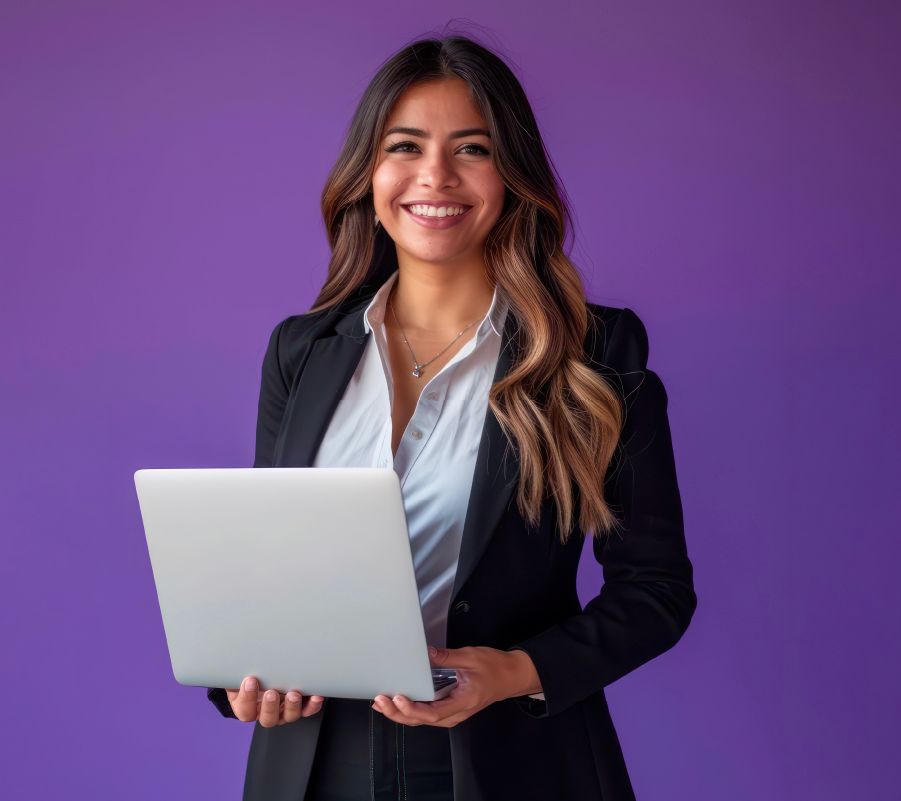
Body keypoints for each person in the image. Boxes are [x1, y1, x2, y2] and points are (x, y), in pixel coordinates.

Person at [205, 33, 697, 801]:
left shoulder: (593, 353)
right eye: (406, 145)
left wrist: (512, 671)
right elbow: (273, 568)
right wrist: (245, 682)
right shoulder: (302, 351)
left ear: (511, 176)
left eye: (472, 148)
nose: (435, 176)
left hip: (511, 760)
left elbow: (656, 590)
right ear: (369, 172)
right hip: (314, 760)